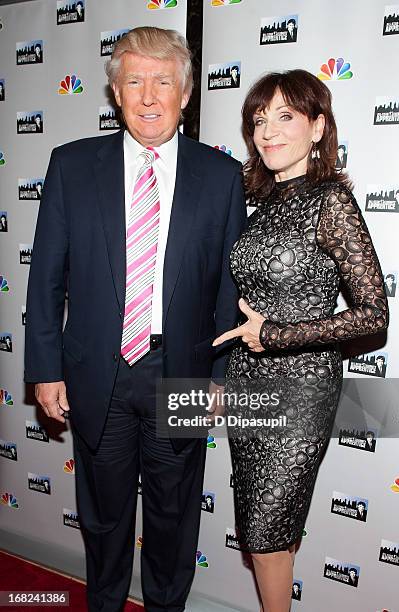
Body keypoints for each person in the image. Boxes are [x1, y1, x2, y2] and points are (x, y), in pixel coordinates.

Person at [25, 26, 246, 612]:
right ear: (116, 94)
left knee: (174, 523)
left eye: (164, 81)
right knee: (103, 520)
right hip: (100, 373)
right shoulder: (71, 166)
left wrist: (220, 377)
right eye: (134, 82)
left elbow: (229, 286)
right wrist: (45, 369)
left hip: (182, 375)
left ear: (187, 93)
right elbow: (45, 278)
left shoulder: (222, 178)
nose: (149, 96)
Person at [213, 69, 388, 612]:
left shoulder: (331, 201)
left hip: (302, 386)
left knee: (265, 532)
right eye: (259, 120)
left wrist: (280, 334)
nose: (268, 132)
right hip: (246, 380)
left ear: (317, 127)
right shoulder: (259, 203)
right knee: (268, 528)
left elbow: (373, 314)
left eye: (285, 116)